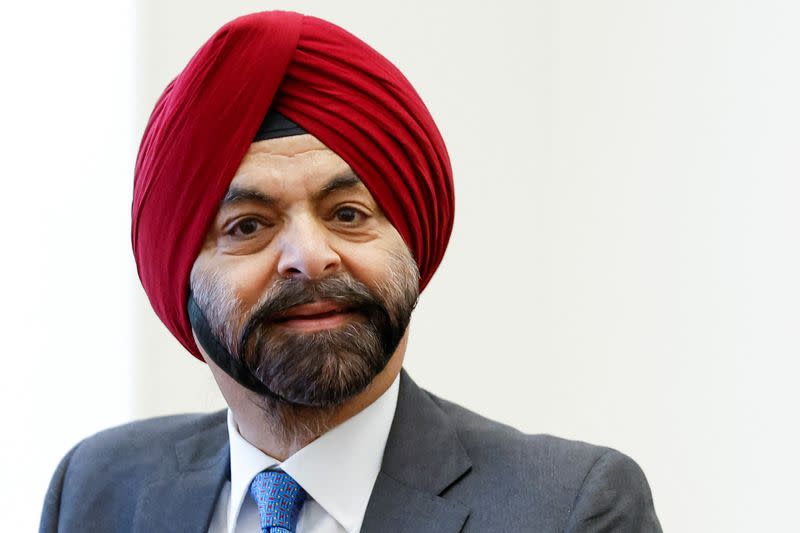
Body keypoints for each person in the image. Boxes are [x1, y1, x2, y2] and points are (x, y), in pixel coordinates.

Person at [40, 11, 661, 533]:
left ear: (411, 244)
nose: (311, 256)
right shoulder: (98, 490)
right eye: (249, 226)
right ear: (179, 274)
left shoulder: (567, 510)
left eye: (347, 213)